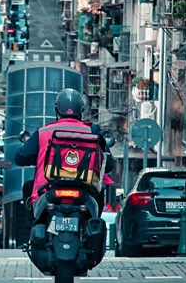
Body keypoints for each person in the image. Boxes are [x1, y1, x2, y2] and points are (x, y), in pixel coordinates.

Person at [14, 88, 114, 216]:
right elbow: (108, 164)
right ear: (81, 110)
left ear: (57, 110)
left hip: (47, 188)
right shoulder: (93, 131)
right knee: (99, 192)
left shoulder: (43, 132)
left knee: (28, 187)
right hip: (86, 189)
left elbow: (21, 157)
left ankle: (33, 226)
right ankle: (94, 223)